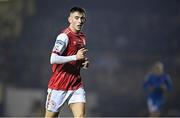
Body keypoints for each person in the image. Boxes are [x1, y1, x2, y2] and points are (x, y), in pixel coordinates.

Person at [45, 6, 89, 118]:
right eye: (76, 18)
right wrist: (75, 57)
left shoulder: (82, 37)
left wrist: (83, 63)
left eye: (82, 18)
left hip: (75, 84)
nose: (80, 21)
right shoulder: (64, 36)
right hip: (58, 85)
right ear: (70, 19)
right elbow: (53, 59)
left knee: (80, 116)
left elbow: (77, 57)